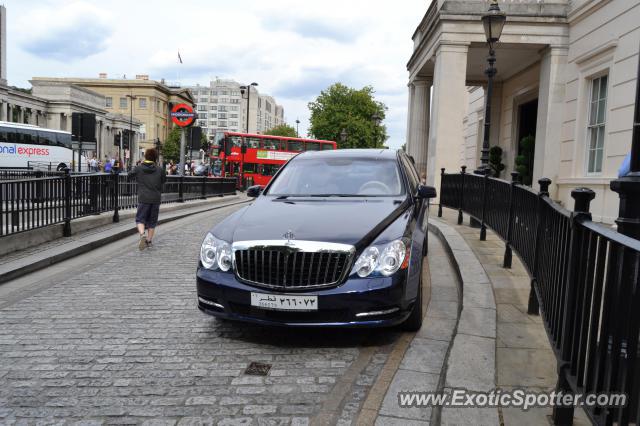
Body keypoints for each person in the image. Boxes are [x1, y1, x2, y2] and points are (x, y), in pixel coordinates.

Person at [129, 148, 166, 250]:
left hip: (143, 198)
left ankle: (142, 234)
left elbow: (129, 176)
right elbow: (163, 181)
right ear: (155, 158)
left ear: (145, 157)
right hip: (155, 198)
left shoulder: (139, 168)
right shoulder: (160, 170)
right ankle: (149, 241)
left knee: (140, 219)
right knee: (152, 221)